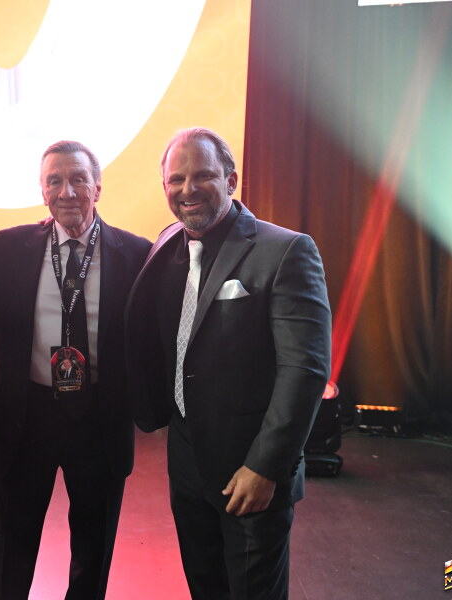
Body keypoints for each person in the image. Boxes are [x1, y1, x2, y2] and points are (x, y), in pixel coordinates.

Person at [125, 128, 331, 599]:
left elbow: (305, 370)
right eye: (176, 179)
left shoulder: (286, 250)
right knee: (205, 588)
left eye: (203, 175)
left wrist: (266, 467)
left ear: (231, 180)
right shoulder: (168, 243)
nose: (188, 189)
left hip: (250, 470)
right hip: (186, 463)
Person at [0, 140, 151, 600]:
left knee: (93, 548)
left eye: (78, 180)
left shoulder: (136, 254)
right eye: (54, 181)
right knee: (12, 547)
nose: (66, 192)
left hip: (99, 419)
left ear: (98, 188)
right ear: (42, 191)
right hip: (26, 418)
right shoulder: (11, 248)